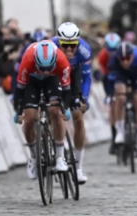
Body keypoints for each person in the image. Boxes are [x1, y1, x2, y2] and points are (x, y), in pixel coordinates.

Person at [13, 40, 72, 179]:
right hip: (32, 81)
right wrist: (18, 110)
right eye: (42, 68)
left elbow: (67, 90)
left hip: (52, 81)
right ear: (35, 61)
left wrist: (66, 107)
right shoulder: (27, 60)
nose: (45, 72)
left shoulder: (62, 61)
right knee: (30, 118)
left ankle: (59, 157)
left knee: (55, 111)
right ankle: (34, 157)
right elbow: (20, 90)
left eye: (48, 68)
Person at [51, 22, 92, 183]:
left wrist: (84, 98)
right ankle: (59, 156)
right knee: (55, 111)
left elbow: (87, 78)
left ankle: (78, 167)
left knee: (78, 117)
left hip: (74, 78)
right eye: (65, 45)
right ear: (59, 42)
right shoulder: (51, 47)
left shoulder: (84, 50)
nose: (69, 49)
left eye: (72, 45)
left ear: (78, 42)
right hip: (54, 76)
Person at [108, 41, 137, 157]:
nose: (125, 61)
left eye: (127, 58)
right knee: (120, 97)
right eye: (122, 59)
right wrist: (111, 93)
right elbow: (110, 81)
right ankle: (120, 129)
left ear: (133, 56)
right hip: (122, 75)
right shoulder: (114, 61)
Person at [97, 32, 121, 154]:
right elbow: (105, 77)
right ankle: (114, 137)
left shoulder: (123, 53)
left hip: (123, 75)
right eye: (109, 49)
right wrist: (110, 94)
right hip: (110, 78)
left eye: (114, 49)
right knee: (113, 104)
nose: (112, 52)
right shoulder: (102, 56)